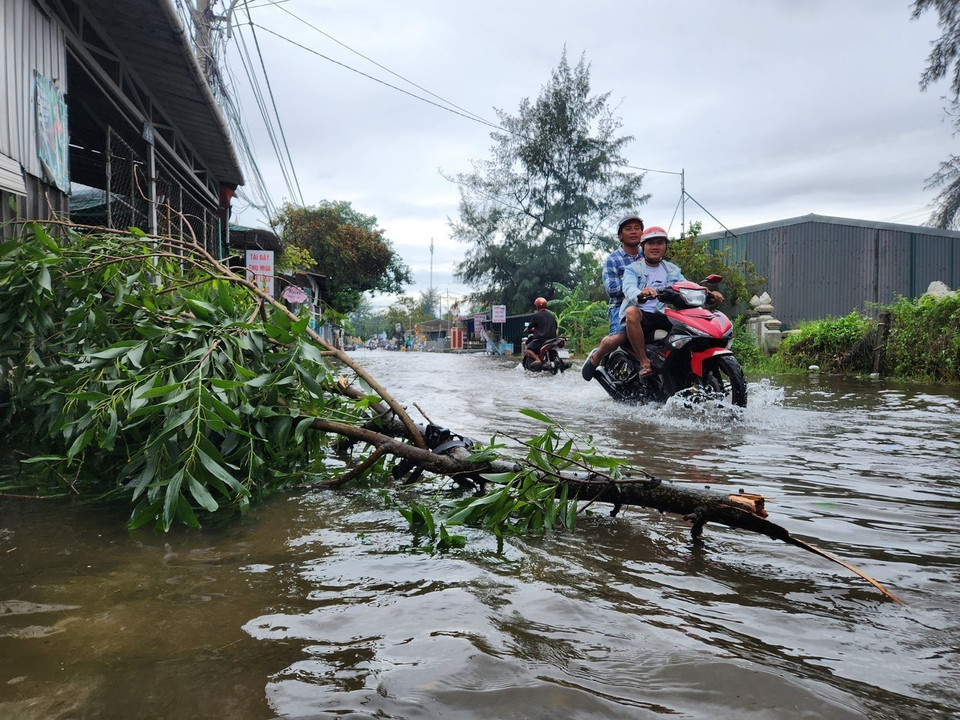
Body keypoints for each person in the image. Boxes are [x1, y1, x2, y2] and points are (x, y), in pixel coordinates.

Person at [620, 226, 723, 376]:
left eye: (660, 243)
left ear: (665, 247)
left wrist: (708, 294)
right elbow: (629, 287)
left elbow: (687, 286)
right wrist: (641, 293)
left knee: (691, 324)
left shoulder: (673, 269)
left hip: (663, 314)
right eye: (651, 243)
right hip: (642, 315)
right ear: (643, 246)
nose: (655, 247)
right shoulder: (632, 269)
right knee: (631, 312)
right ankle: (644, 361)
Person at [581, 214, 644, 381]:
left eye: (637, 228)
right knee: (618, 337)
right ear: (620, 235)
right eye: (628, 229)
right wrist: (635, 287)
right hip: (620, 307)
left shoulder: (648, 255)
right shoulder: (613, 260)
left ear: (642, 233)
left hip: (648, 306)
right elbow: (612, 289)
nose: (633, 232)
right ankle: (597, 355)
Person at [524, 296, 559, 369]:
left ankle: (537, 360)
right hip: (553, 339)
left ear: (537, 306)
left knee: (528, 349)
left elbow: (531, 325)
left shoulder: (537, 315)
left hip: (541, 339)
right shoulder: (552, 315)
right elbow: (555, 326)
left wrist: (528, 328)